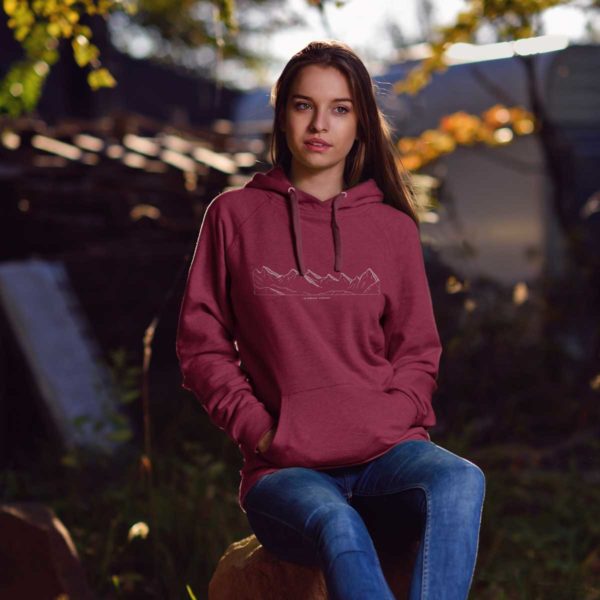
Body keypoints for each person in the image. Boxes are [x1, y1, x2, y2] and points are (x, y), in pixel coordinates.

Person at [175, 40, 486, 600]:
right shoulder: (234, 216)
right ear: (282, 115)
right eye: (303, 105)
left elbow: (417, 350)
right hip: (286, 475)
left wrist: (393, 416)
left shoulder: (392, 229)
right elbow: (202, 348)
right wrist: (262, 430)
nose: (320, 124)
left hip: (385, 459)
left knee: (461, 479)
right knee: (337, 522)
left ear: (361, 123)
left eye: (340, 108)